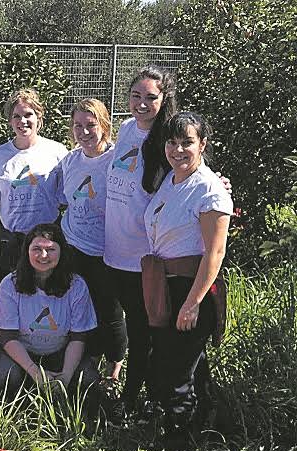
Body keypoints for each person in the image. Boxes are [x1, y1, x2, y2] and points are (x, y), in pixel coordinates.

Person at [142, 112, 231, 451]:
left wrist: (192, 302)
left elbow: (215, 252)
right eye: (172, 142)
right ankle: (207, 422)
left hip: (191, 287)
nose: (178, 149)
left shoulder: (209, 190)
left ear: (203, 145)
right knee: (183, 360)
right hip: (165, 283)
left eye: (187, 142)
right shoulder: (172, 180)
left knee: (177, 367)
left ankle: (178, 443)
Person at [103, 64, 179, 416]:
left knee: (142, 331)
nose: (142, 103)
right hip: (113, 251)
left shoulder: (167, 141)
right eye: (136, 96)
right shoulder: (125, 129)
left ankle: (133, 400)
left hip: (143, 256)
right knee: (129, 324)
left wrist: (219, 182)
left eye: (151, 97)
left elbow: (192, 171)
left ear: (164, 100)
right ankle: (140, 393)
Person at [41, 99, 126, 383]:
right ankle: (85, 358)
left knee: (109, 309)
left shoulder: (117, 159)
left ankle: (115, 367)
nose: (85, 132)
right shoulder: (70, 161)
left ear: (104, 125)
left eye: (91, 125)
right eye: (78, 125)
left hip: (107, 250)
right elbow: (62, 198)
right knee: (78, 306)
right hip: (74, 244)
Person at [0, 224, 106, 417]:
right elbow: (7, 336)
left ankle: (79, 418)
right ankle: (17, 414)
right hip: (20, 352)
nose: (43, 255)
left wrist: (66, 376)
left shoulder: (76, 285)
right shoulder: (9, 284)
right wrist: (35, 373)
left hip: (61, 351)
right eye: (37, 249)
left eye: (51, 249)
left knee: (89, 379)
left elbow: (79, 337)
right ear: (26, 251)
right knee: (4, 376)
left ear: (61, 252)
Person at [0, 88, 68, 282]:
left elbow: (66, 196)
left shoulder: (57, 152)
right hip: (12, 243)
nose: (22, 121)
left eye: (28, 114)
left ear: (39, 117)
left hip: (48, 241)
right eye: (16, 116)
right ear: (9, 121)